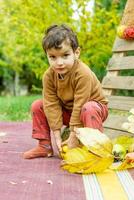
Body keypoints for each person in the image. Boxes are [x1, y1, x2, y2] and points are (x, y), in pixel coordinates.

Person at [23, 24, 108, 159]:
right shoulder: (49, 76)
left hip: (93, 110)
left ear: (76, 53)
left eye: (65, 55)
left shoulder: (82, 73)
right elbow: (51, 104)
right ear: (47, 56)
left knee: (88, 108)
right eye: (53, 57)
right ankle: (44, 146)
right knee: (38, 105)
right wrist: (57, 137)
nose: (59, 62)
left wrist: (73, 136)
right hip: (69, 111)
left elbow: (81, 103)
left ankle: (95, 149)